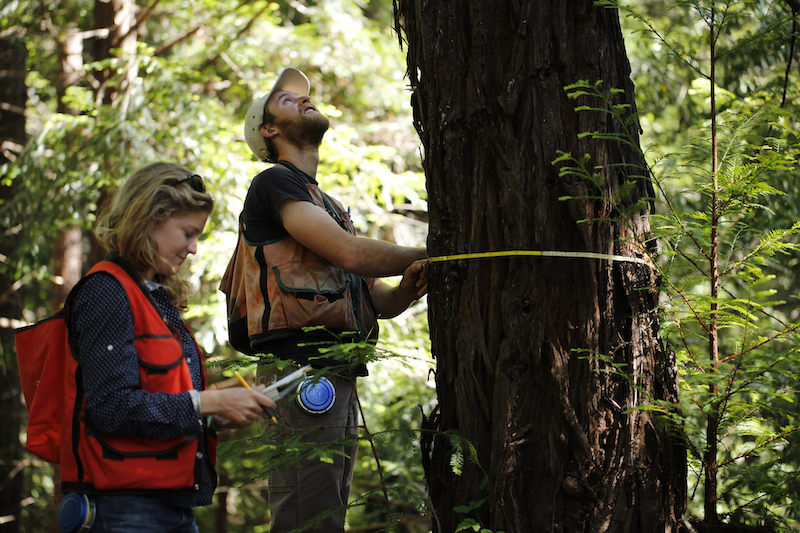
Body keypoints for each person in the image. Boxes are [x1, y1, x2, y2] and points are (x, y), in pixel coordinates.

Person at [224, 67, 428, 532]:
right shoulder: (274, 184)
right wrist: (438, 249)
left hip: (337, 374)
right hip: (299, 375)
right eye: (286, 99)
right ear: (268, 130)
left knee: (325, 517)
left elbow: (380, 301)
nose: (303, 100)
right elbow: (351, 254)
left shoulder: (327, 204)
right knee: (308, 520)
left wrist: (410, 285)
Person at [62, 162, 277, 533]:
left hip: (169, 505)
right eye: (187, 233)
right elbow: (112, 407)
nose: (193, 249)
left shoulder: (155, 299)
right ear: (149, 219)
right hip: (125, 509)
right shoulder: (107, 292)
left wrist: (214, 415)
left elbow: (157, 401)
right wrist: (206, 403)